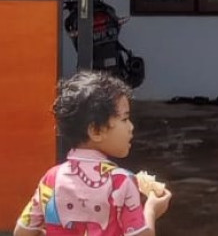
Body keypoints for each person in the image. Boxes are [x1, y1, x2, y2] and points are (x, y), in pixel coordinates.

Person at [14, 71, 172, 236]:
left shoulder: (51, 178)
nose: (131, 127)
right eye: (124, 119)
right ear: (96, 131)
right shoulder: (121, 182)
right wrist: (152, 209)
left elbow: (22, 232)